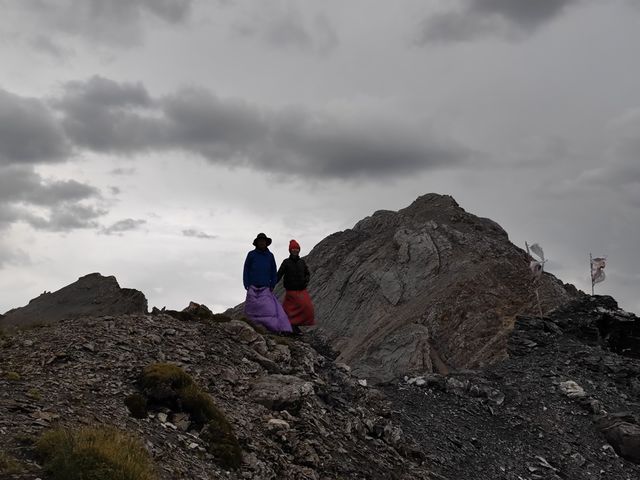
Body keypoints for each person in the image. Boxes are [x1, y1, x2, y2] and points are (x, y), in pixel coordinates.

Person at [243, 233, 292, 333]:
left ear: (266, 243)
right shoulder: (251, 254)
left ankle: (272, 328)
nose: (262, 243)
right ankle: (252, 326)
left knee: (268, 309)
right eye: (260, 241)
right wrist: (246, 283)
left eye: (263, 241)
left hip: (265, 286)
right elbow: (246, 269)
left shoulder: (270, 256)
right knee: (252, 307)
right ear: (257, 243)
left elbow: (273, 270)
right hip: (252, 285)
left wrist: (272, 284)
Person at [277, 239, 315, 335]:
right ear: (290, 250)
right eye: (293, 249)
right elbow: (279, 274)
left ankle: (293, 326)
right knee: (289, 310)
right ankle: (288, 328)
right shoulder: (286, 262)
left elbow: (307, 273)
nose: (295, 250)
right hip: (290, 290)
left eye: (297, 249)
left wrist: (305, 282)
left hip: (301, 290)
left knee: (307, 308)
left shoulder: (302, 262)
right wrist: (272, 283)